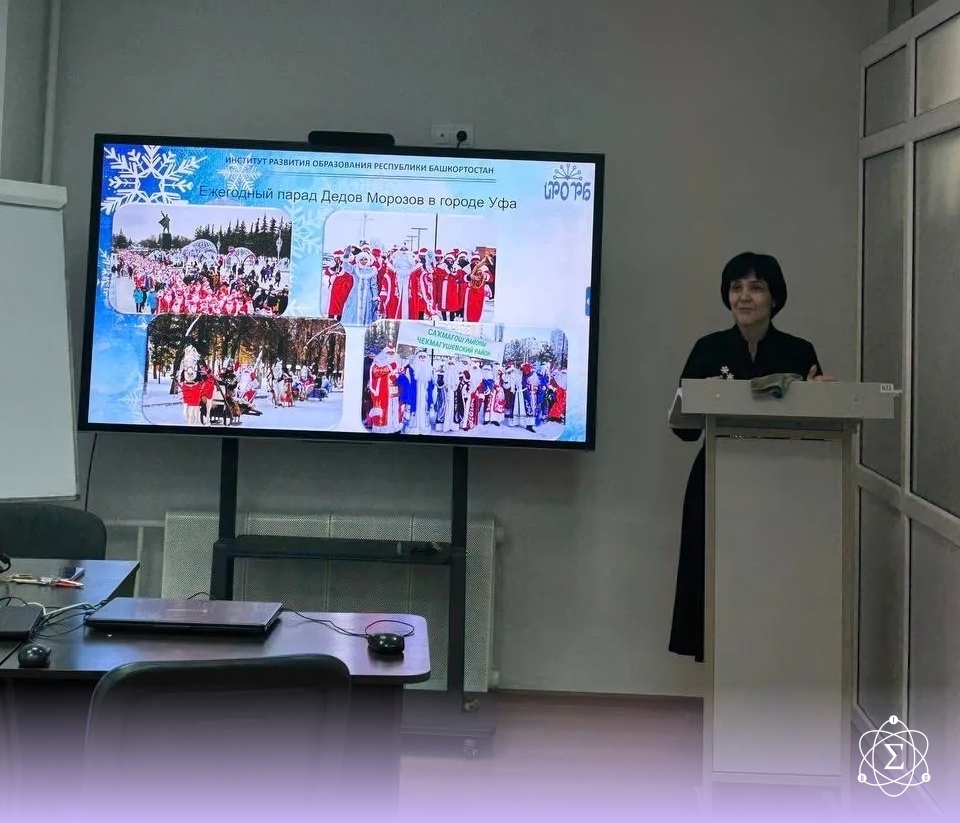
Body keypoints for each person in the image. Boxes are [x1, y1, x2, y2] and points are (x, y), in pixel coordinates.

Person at [668, 251, 834, 662]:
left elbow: (816, 433)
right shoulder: (708, 349)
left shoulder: (799, 351)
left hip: (781, 484)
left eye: (756, 288)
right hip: (718, 479)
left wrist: (820, 399)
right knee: (713, 579)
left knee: (774, 581)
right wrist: (702, 397)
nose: (744, 297)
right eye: (736, 288)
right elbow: (684, 431)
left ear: (774, 298)